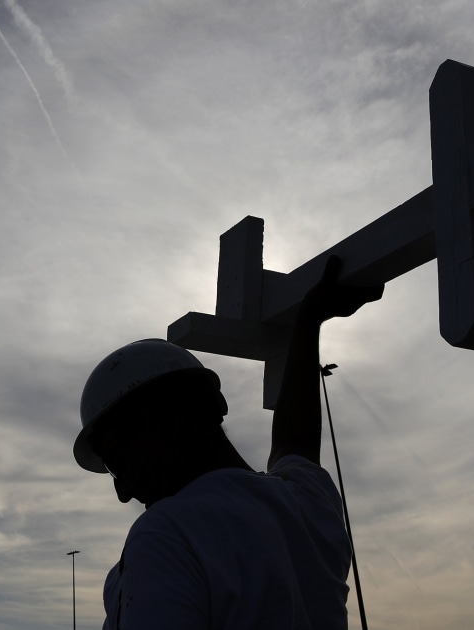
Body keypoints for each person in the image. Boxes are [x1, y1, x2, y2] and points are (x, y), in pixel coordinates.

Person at [74, 257, 383, 629]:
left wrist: (307, 321)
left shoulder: (168, 534)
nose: (122, 491)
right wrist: (308, 322)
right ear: (216, 404)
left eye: (118, 462)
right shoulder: (307, 505)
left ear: (163, 424)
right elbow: (295, 441)